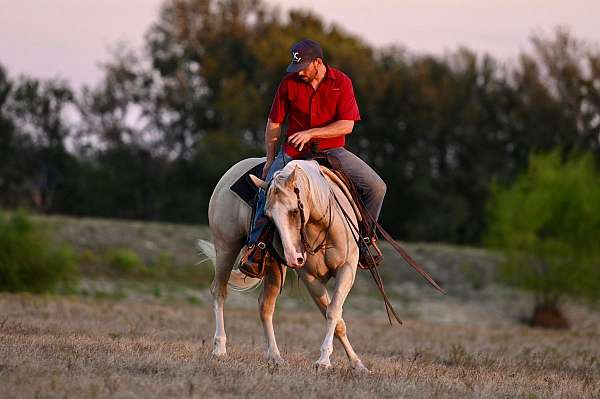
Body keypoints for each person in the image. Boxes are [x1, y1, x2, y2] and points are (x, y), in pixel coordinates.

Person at [241, 39, 386, 272]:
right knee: (268, 189)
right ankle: (256, 248)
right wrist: (270, 159)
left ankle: (366, 240)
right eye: (295, 68)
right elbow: (274, 122)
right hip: (293, 153)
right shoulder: (289, 83)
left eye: (303, 68)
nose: (299, 73)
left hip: (332, 151)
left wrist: (311, 133)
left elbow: (346, 125)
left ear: (318, 62)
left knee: (377, 187)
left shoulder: (342, 82)